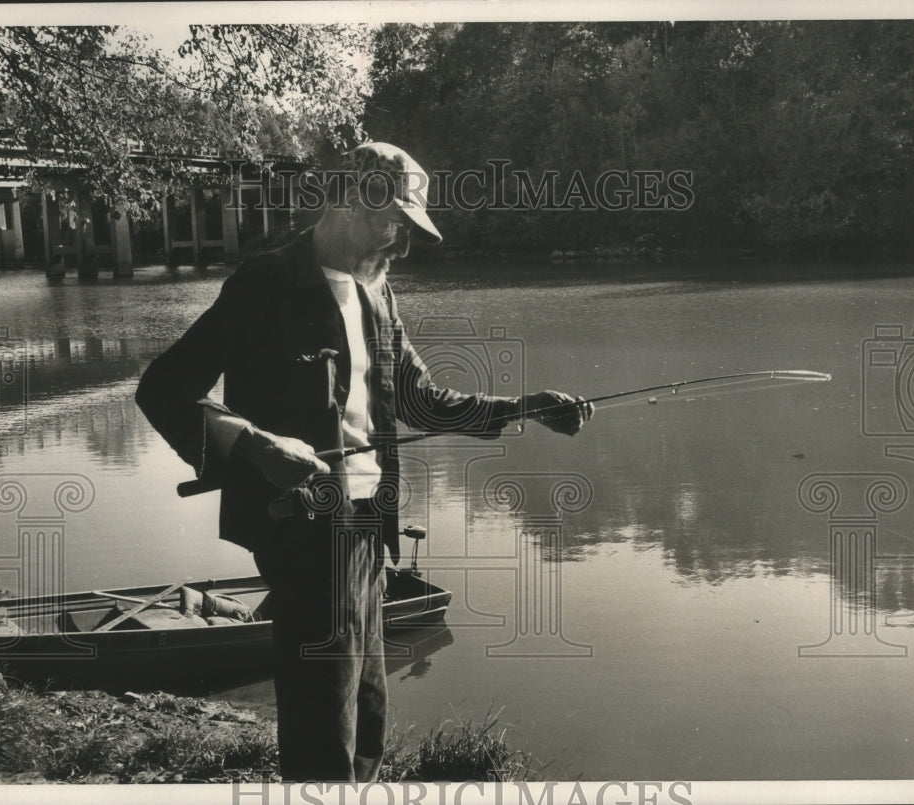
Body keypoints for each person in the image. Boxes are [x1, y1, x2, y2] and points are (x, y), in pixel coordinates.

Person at [135, 142, 593, 782]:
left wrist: (523, 407)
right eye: (395, 224)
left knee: (367, 703)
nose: (402, 244)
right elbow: (163, 388)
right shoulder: (265, 283)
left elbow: (420, 400)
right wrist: (256, 444)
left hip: (367, 527)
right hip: (302, 530)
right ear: (349, 200)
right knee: (324, 714)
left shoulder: (377, 295)